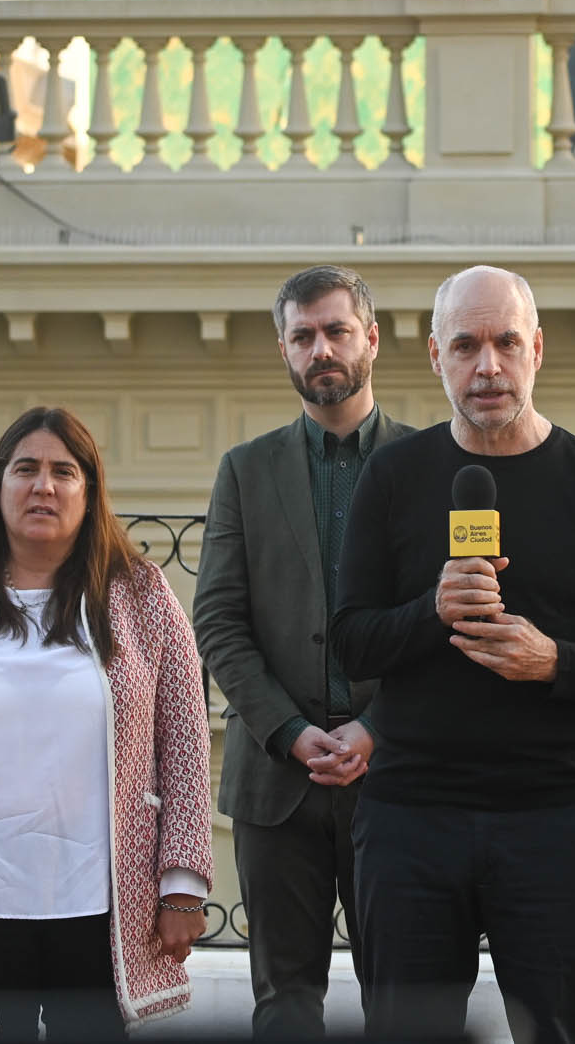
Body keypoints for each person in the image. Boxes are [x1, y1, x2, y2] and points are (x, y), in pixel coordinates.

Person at [329, 265, 575, 1044]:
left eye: (506, 342)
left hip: (555, 815)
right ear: (434, 356)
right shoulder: (392, 476)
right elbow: (350, 639)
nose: (487, 365)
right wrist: (432, 610)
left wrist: (555, 660)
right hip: (410, 816)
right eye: (467, 345)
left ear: (537, 349)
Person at [0, 406, 214, 1038]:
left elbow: (184, 746)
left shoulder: (141, 595)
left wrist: (182, 886)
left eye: (63, 472)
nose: (43, 486)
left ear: (89, 491)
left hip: (108, 906)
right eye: (25, 469)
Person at [192, 266, 413, 1037]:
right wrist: (288, 730)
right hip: (275, 785)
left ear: (371, 338)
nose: (321, 348)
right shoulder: (244, 471)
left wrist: (373, 728)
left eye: (336, 330)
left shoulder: (427, 464)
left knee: (404, 1001)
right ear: (284, 349)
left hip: (397, 780)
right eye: (303, 335)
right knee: (284, 1004)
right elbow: (217, 619)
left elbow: (447, 625)